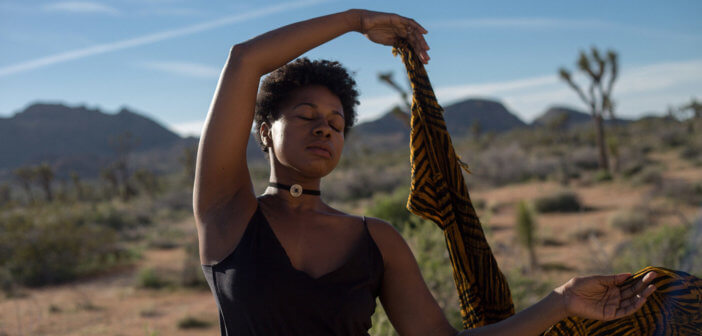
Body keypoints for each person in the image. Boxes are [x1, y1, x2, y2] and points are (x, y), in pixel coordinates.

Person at [193, 9, 658, 336]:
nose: (324, 129)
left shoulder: (376, 240)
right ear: (264, 133)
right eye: (305, 115)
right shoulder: (227, 213)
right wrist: (356, 21)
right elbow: (243, 61)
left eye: (336, 123)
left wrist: (561, 301)